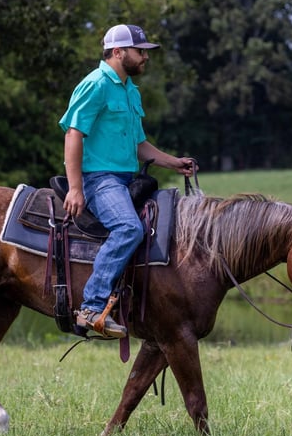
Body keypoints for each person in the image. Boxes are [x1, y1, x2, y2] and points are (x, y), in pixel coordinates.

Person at [58, 24, 195, 338]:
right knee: (128, 228)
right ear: (118, 52)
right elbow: (73, 134)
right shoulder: (95, 84)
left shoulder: (130, 89)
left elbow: (139, 145)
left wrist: (174, 163)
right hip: (98, 179)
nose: (145, 57)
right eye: (140, 51)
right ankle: (91, 308)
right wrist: (76, 188)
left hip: (124, 179)